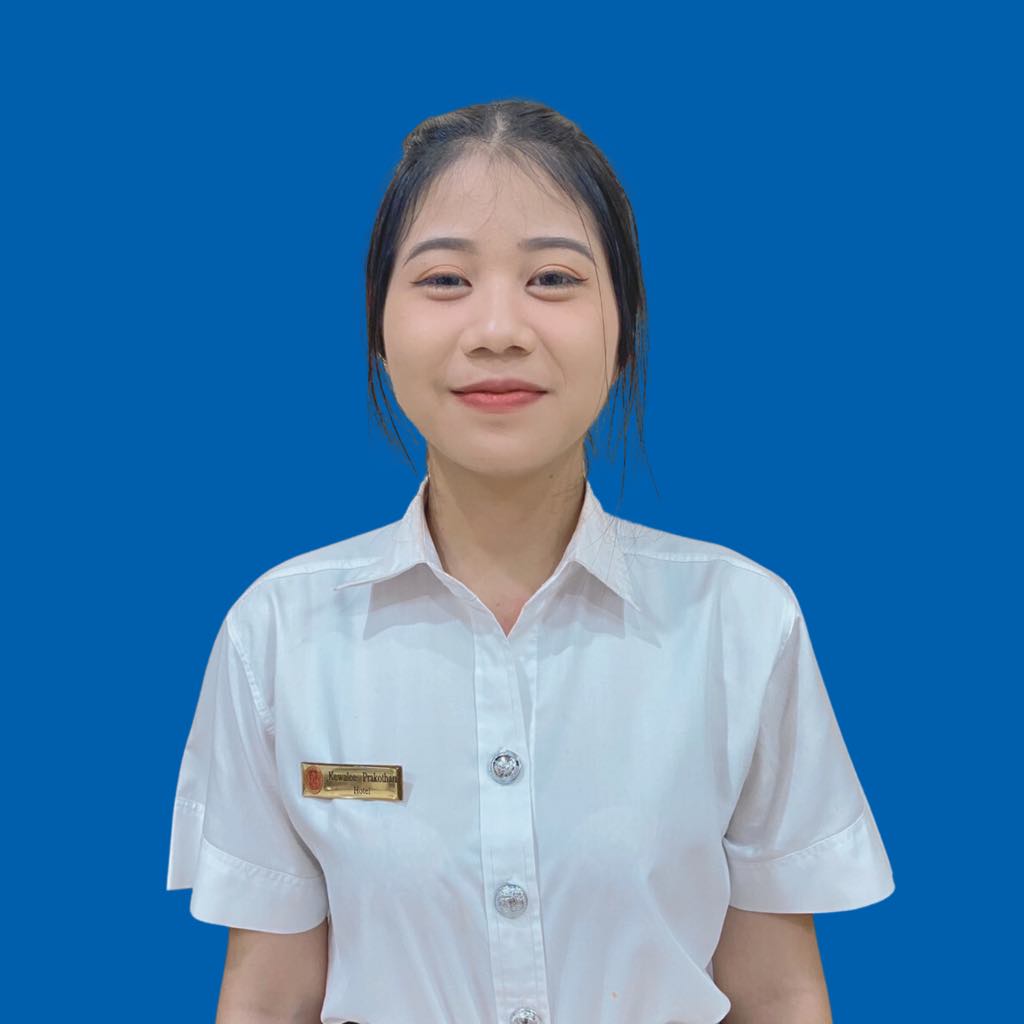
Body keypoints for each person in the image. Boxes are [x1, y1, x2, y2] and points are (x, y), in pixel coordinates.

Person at [166, 98, 895, 1024]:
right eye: (445, 280)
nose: (498, 329)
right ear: (380, 330)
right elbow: (269, 997)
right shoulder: (278, 634)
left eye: (553, 278)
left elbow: (779, 991)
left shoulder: (741, 623)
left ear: (624, 330)